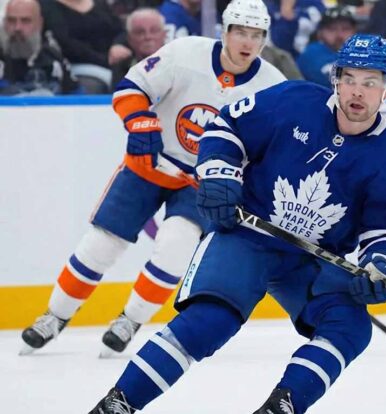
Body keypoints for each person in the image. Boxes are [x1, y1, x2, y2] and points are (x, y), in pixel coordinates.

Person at [89, 33, 386, 414]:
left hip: (308, 260)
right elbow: (225, 127)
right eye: (350, 79)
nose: (358, 92)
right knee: (211, 320)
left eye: (371, 82)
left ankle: (281, 407)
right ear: (336, 80)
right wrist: (219, 175)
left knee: (350, 327)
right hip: (248, 234)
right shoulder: (294, 101)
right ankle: (119, 402)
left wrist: (380, 266)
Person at [20, 0, 286, 356]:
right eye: (240, 31)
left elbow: (275, 148)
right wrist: (140, 121)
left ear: (265, 39)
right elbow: (131, 88)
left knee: (175, 250)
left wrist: (245, 180)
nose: (247, 42)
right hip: (149, 164)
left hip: (202, 183)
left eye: (256, 35)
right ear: (225, 31)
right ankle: (55, 315)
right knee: (102, 244)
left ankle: (130, 320)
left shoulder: (273, 86)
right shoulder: (185, 52)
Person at [0, 0, 79, 95]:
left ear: (39, 23)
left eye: (25, 21)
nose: (17, 28)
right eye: (11, 20)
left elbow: (77, 99)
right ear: (4, 23)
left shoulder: (52, 57)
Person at [296, 5, 357, 87]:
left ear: (354, 31)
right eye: (332, 29)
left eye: (346, 29)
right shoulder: (312, 53)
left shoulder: (363, 51)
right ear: (320, 33)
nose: (339, 35)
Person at [110, 8, 167, 89]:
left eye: (154, 30)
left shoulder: (178, 65)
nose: (148, 37)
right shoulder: (121, 68)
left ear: (164, 35)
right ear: (130, 39)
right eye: (140, 32)